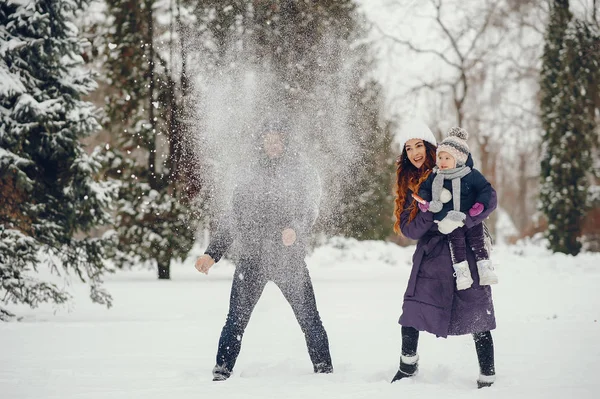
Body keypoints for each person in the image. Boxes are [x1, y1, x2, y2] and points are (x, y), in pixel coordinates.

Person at [194, 118, 333, 381]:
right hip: (252, 260)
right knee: (235, 320)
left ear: (286, 141)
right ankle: (221, 372)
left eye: (278, 139)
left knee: (309, 319)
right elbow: (233, 217)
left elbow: (308, 209)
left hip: (287, 260)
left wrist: (295, 228)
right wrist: (212, 253)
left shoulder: (300, 172)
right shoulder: (249, 173)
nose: (273, 144)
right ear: (260, 142)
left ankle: (325, 371)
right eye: (268, 139)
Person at [391, 119, 497, 389]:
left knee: (477, 309)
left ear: (430, 147)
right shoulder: (409, 185)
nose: (415, 152)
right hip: (431, 254)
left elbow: (482, 201)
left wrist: (463, 220)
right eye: (408, 148)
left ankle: (487, 373)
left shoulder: (458, 167)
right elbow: (409, 229)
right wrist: (429, 213)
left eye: (419, 146)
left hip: (465, 246)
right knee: (413, 309)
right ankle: (407, 365)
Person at [416, 127, 498, 290]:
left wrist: (480, 205)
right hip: (451, 220)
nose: (443, 161)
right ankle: (462, 274)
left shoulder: (470, 174)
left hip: (470, 217)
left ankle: (485, 268)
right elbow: (424, 190)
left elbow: (485, 189)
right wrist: (424, 201)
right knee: (457, 245)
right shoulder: (436, 176)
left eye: (447, 157)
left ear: (458, 159)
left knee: (478, 242)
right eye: (440, 157)